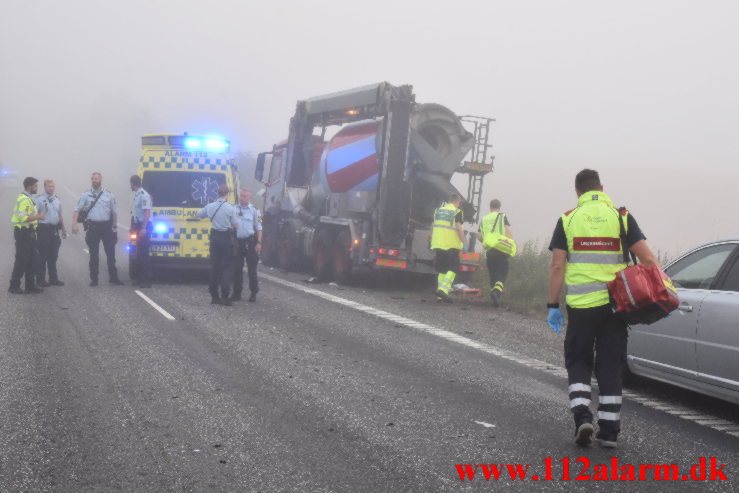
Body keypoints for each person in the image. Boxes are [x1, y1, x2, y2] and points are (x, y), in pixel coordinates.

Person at [547, 169, 658, 449]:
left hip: (581, 306)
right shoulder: (621, 217)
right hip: (615, 306)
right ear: (602, 188)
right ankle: (609, 432)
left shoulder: (568, 219)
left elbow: (558, 266)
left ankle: (582, 417)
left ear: (577, 192)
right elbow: (647, 258)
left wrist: (552, 305)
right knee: (610, 364)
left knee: (578, 361)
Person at [72, 172, 124, 286]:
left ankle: (114, 277)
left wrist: (114, 226)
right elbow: (77, 209)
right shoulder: (86, 194)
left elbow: (114, 212)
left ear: (101, 180)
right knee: (93, 255)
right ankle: (94, 279)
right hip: (93, 227)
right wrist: (74, 224)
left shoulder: (109, 195)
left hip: (106, 227)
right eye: (92, 179)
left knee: (111, 254)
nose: (94, 180)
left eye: (96, 178)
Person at [197, 184, 238, 306]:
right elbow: (236, 225)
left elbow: (199, 214)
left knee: (214, 266)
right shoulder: (231, 208)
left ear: (217, 193)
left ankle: (214, 296)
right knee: (226, 267)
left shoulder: (210, 206)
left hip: (214, 238)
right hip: (226, 238)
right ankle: (225, 296)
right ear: (227, 194)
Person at [9, 177, 45, 294]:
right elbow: (23, 217)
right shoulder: (24, 199)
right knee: (21, 260)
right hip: (23, 233)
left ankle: (30, 286)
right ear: (29, 186)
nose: (37, 188)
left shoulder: (29, 199)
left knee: (32, 259)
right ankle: (14, 286)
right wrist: (38, 217)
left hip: (29, 233)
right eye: (35, 186)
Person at [477, 199, 513, 307]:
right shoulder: (502, 216)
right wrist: (511, 243)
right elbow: (507, 231)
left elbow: (478, 235)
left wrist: (485, 241)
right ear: (499, 207)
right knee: (502, 271)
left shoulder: (484, 219)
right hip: (501, 249)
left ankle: (495, 300)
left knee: (492, 273)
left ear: (490, 207)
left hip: (490, 250)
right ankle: (497, 292)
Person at [430, 193, 465, 302]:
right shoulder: (457, 212)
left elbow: (433, 226)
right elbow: (459, 228)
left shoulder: (438, 211)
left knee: (442, 269)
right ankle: (442, 289)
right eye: (459, 202)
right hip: (451, 245)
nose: (459, 204)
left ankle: (441, 295)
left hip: (438, 244)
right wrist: (464, 242)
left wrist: (430, 237)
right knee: (454, 268)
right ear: (457, 201)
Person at [34, 179, 67, 287]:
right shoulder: (39, 200)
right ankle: (40, 279)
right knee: (42, 256)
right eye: (49, 186)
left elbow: (60, 215)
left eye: (53, 186)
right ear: (44, 187)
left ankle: (53, 279)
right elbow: (33, 216)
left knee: (53, 256)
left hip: (54, 230)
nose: (51, 188)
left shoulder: (57, 200)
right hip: (43, 229)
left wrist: (63, 229)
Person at [231, 188, 262, 302]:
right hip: (238, 243)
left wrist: (259, 242)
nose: (242, 198)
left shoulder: (255, 210)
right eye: (241, 195)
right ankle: (237, 293)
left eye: (245, 196)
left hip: (250, 242)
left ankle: (253, 292)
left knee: (252, 270)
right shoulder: (233, 209)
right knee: (237, 269)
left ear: (250, 198)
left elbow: (259, 227)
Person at [129, 174, 153, 288]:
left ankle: (146, 281)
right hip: (138, 225)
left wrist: (143, 228)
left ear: (133, 184)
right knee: (139, 253)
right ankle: (140, 279)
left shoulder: (143, 195)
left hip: (144, 226)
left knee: (143, 254)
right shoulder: (138, 194)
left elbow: (147, 212)